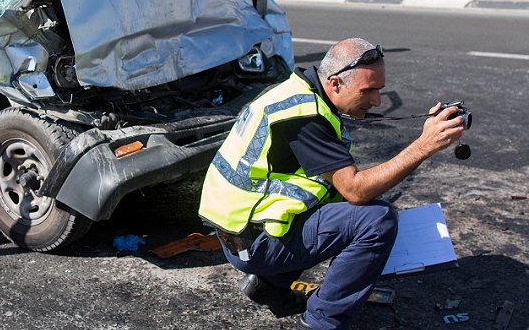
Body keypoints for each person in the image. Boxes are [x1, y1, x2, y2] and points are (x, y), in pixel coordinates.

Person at [198, 38, 466, 329]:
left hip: (240, 232)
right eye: (369, 91)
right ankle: (322, 321)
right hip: (254, 241)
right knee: (376, 220)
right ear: (336, 83)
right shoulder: (305, 117)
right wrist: (423, 146)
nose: (377, 101)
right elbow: (356, 189)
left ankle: (270, 286)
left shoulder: (295, 91)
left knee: (343, 207)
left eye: (379, 90)